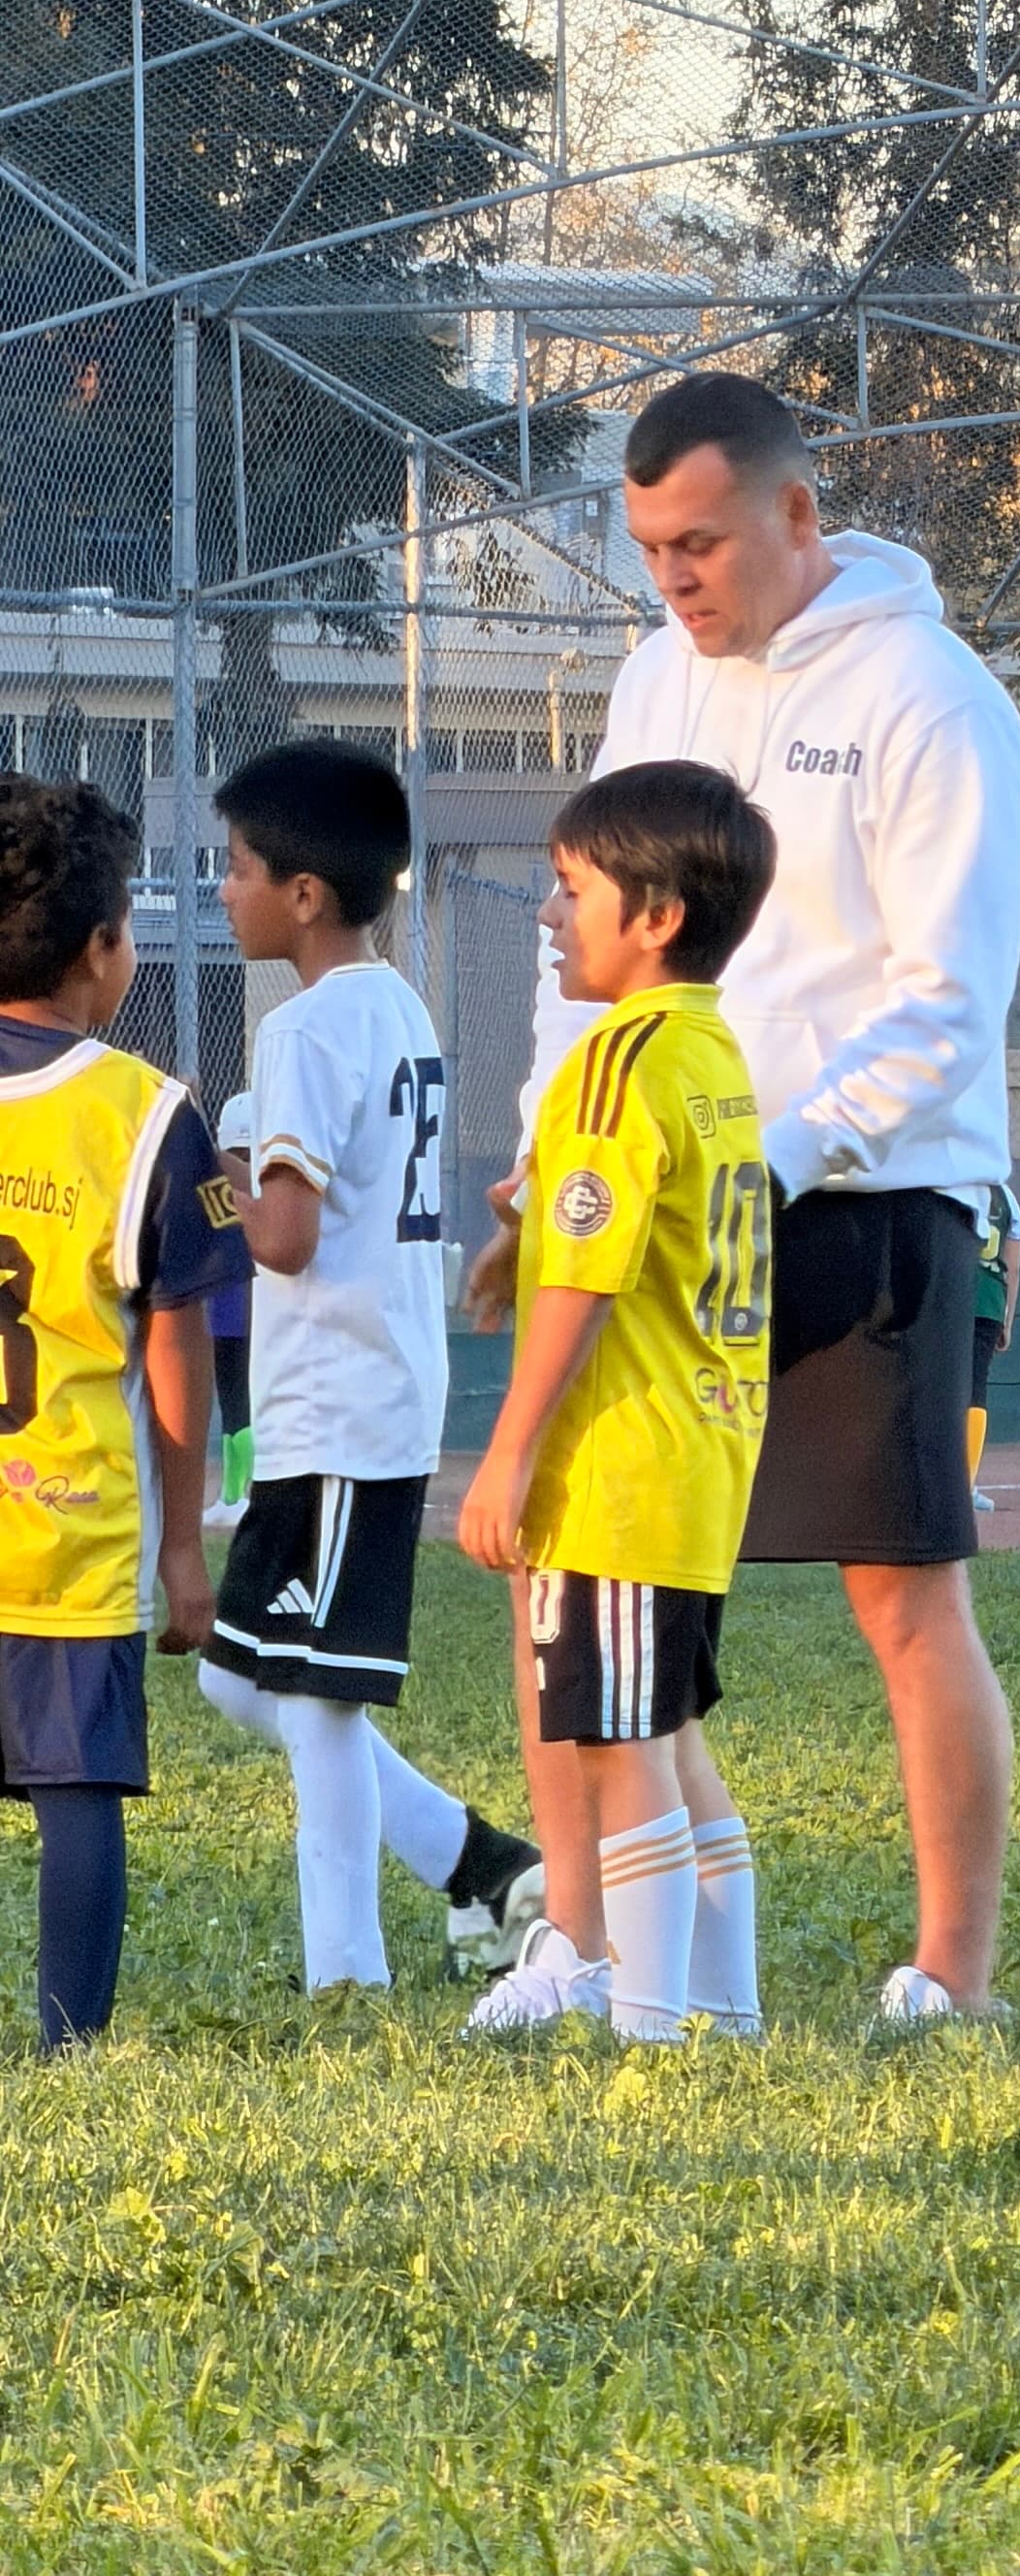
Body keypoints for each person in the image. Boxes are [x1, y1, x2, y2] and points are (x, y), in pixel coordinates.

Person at [468, 370, 1020, 2027]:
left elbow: (945, 1005)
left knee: (899, 1589)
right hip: (647, 1204)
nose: (676, 579)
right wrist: (551, 1138)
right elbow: (574, 939)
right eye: (651, 548)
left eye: (702, 540)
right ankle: (589, 1942)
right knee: (578, 1555)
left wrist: (764, 1156)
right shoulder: (653, 675)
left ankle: (951, 1974)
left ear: (799, 515)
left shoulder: (933, 698)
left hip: (868, 1204)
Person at [197, 743, 544, 1992]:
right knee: (247, 1684)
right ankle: (487, 1866)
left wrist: (205, 1170)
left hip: (340, 1401)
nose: (220, 887)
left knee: (321, 1705)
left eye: (235, 866)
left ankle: (344, 1972)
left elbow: (280, 1240)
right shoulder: (396, 1001)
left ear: (301, 892)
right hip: (358, 1396)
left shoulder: (302, 1028)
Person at [457, 761, 777, 2044]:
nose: (547, 910)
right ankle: (725, 2008)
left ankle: (651, 2021)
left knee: (619, 1750)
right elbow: (619, 1225)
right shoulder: (709, 1050)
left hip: (617, 1467)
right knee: (671, 1735)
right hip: (697, 1454)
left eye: (570, 885)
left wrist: (506, 1455)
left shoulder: (611, 1060)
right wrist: (517, 1237)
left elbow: (587, 1278)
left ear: (651, 914)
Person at [0, 775, 250, 2049]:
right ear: (103, 948)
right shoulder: (146, 1112)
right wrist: (183, 1541)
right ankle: (69, 2046)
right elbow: (177, 1340)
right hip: (63, 1535)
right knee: (76, 1783)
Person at [202, 1087, 255, 1530]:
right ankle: (234, 1493)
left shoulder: (251, 1192)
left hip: (242, 1301)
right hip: (227, 1300)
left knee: (241, 1398)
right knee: (235, 1397)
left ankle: (243, 1493)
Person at [969, 1181, 1020, 1514]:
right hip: (989, 1303)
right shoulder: (1007, 1198)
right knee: (974, 1390)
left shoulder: (950, 1184)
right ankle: (966, 1484)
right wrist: (1007, 1319)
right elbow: (1012, 1267)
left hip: (950, 1300)